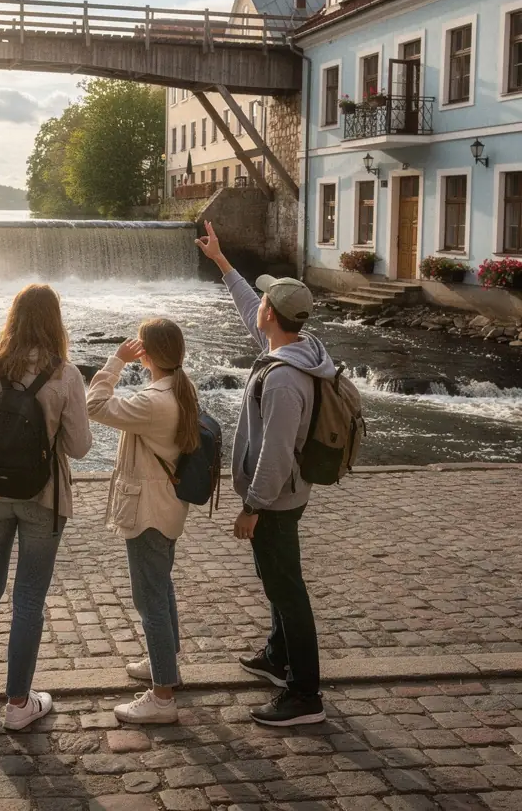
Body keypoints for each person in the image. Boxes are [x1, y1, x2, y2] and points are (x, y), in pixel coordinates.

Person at [195, 220, 335, 727]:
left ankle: (305, 695)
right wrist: (222, 262)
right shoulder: (300, 346)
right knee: (277, 582)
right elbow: (246, 312)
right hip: (288, 494)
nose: (257, 308)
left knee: (287, 590)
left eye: (263, 302)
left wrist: (252, 507)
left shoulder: (282, 382)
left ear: (271, 314)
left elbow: (275, 453)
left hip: (275, 499)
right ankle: (278, 659)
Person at [0, 284, 92, 729]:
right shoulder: (65, 375)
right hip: (43, 496)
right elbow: (80, 447)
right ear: (55, 322)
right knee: (28, 599)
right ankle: (19, 705)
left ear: (12, 317)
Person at [87, 319, 200, 724]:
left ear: (147, 354)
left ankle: (162, 697)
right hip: (167, 506)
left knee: (149, 599)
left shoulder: (153, 402)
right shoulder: (182, 390)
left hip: (149, 510)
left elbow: (94, 406)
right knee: (159, 587)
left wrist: (115, 362)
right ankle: (163, 663)